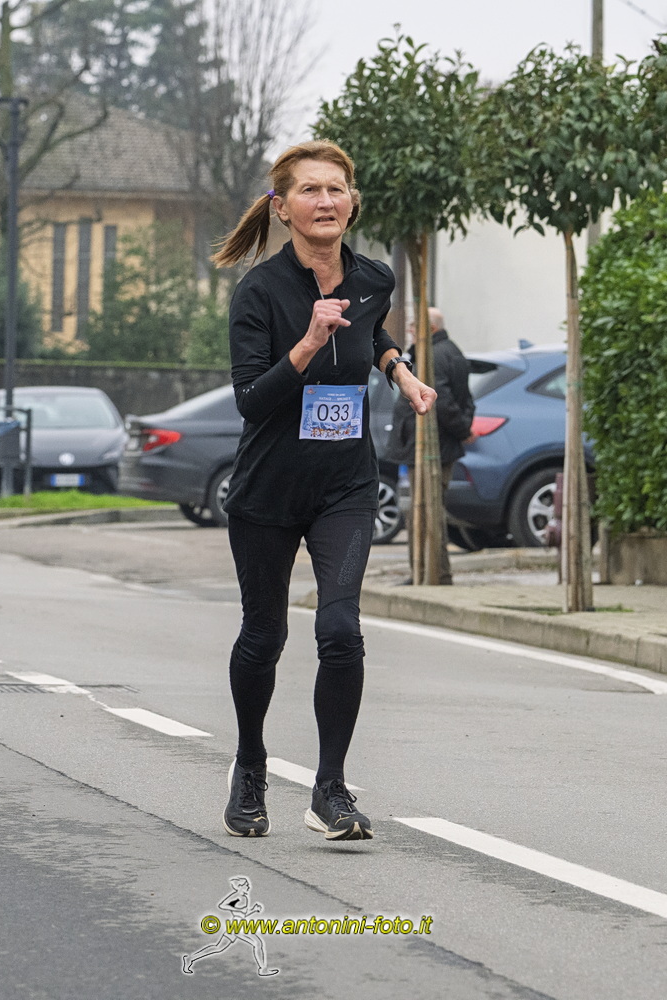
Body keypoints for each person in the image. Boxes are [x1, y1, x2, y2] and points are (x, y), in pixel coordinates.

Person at [209, 140, 437, 841]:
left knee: (340, 631)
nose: (325, 201)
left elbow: (370, 331)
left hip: (345, 485)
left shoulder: (373, 278)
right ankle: (250, 766)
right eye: (309, 190)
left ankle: (330, 790)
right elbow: (251, 400)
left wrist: (400, 371)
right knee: (264, 636)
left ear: (351, 202)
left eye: (336, 189)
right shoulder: (259, 292)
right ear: (282, 208)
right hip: (268, 490)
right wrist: (307, 342)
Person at [387, 306, 475, 583]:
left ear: (431, 328)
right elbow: (466, 399)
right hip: (435, 444)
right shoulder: (452, 351)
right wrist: (464, 429)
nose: (410, 330)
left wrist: (462, 429)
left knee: (424, 511)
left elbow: (443, 401)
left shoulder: (432, 355)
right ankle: (429, 572)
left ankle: (429, 572)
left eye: (414, 325)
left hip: (429, 445)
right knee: (428, 509)